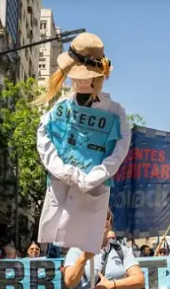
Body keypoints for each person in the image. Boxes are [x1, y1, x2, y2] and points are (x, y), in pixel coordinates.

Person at [35, 33, 131, 255]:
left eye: (84, 76)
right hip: (60, 188)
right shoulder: (60, 107)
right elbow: (44, 138)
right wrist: (64, 171)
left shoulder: (115, 112)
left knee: (87, 253)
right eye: (74, 75)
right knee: (60, 252)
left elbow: (120, 150)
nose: (78, 80)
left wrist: (94, 176)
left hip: (93, 192)